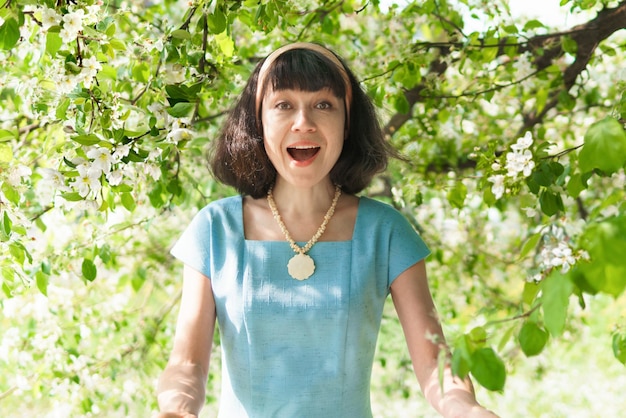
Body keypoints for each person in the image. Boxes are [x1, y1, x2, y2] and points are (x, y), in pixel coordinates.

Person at [155, 42, 498, 418]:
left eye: (323, 104)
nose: (303, 121)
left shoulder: (386, 232)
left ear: (347, 123)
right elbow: (187, 365)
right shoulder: (215, 229)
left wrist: (467, 409)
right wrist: (177, 409)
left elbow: (436, 364)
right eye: (283, 105)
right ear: (258, 121)